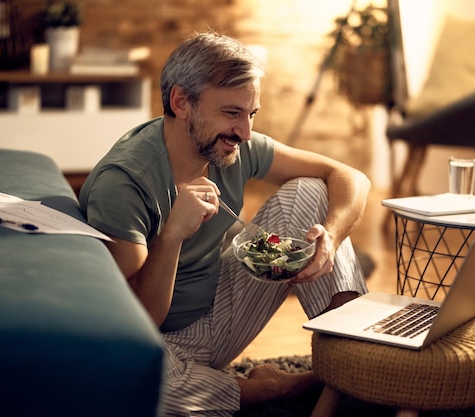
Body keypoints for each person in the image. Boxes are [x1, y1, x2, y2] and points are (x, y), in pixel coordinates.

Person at [79, 31, 370, 416]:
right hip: (158, 342)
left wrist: (330, 237)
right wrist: (173, 234)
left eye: (251, 115)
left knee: (311, 191)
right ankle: (273, 389)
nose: (245, 132)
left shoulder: (232, 145)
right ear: (181, 101)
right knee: (131, 383)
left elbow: (350, 177)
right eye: (232, 113)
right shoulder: (124, 183)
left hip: (221, 311)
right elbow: (139, 320)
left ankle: (358, 363)